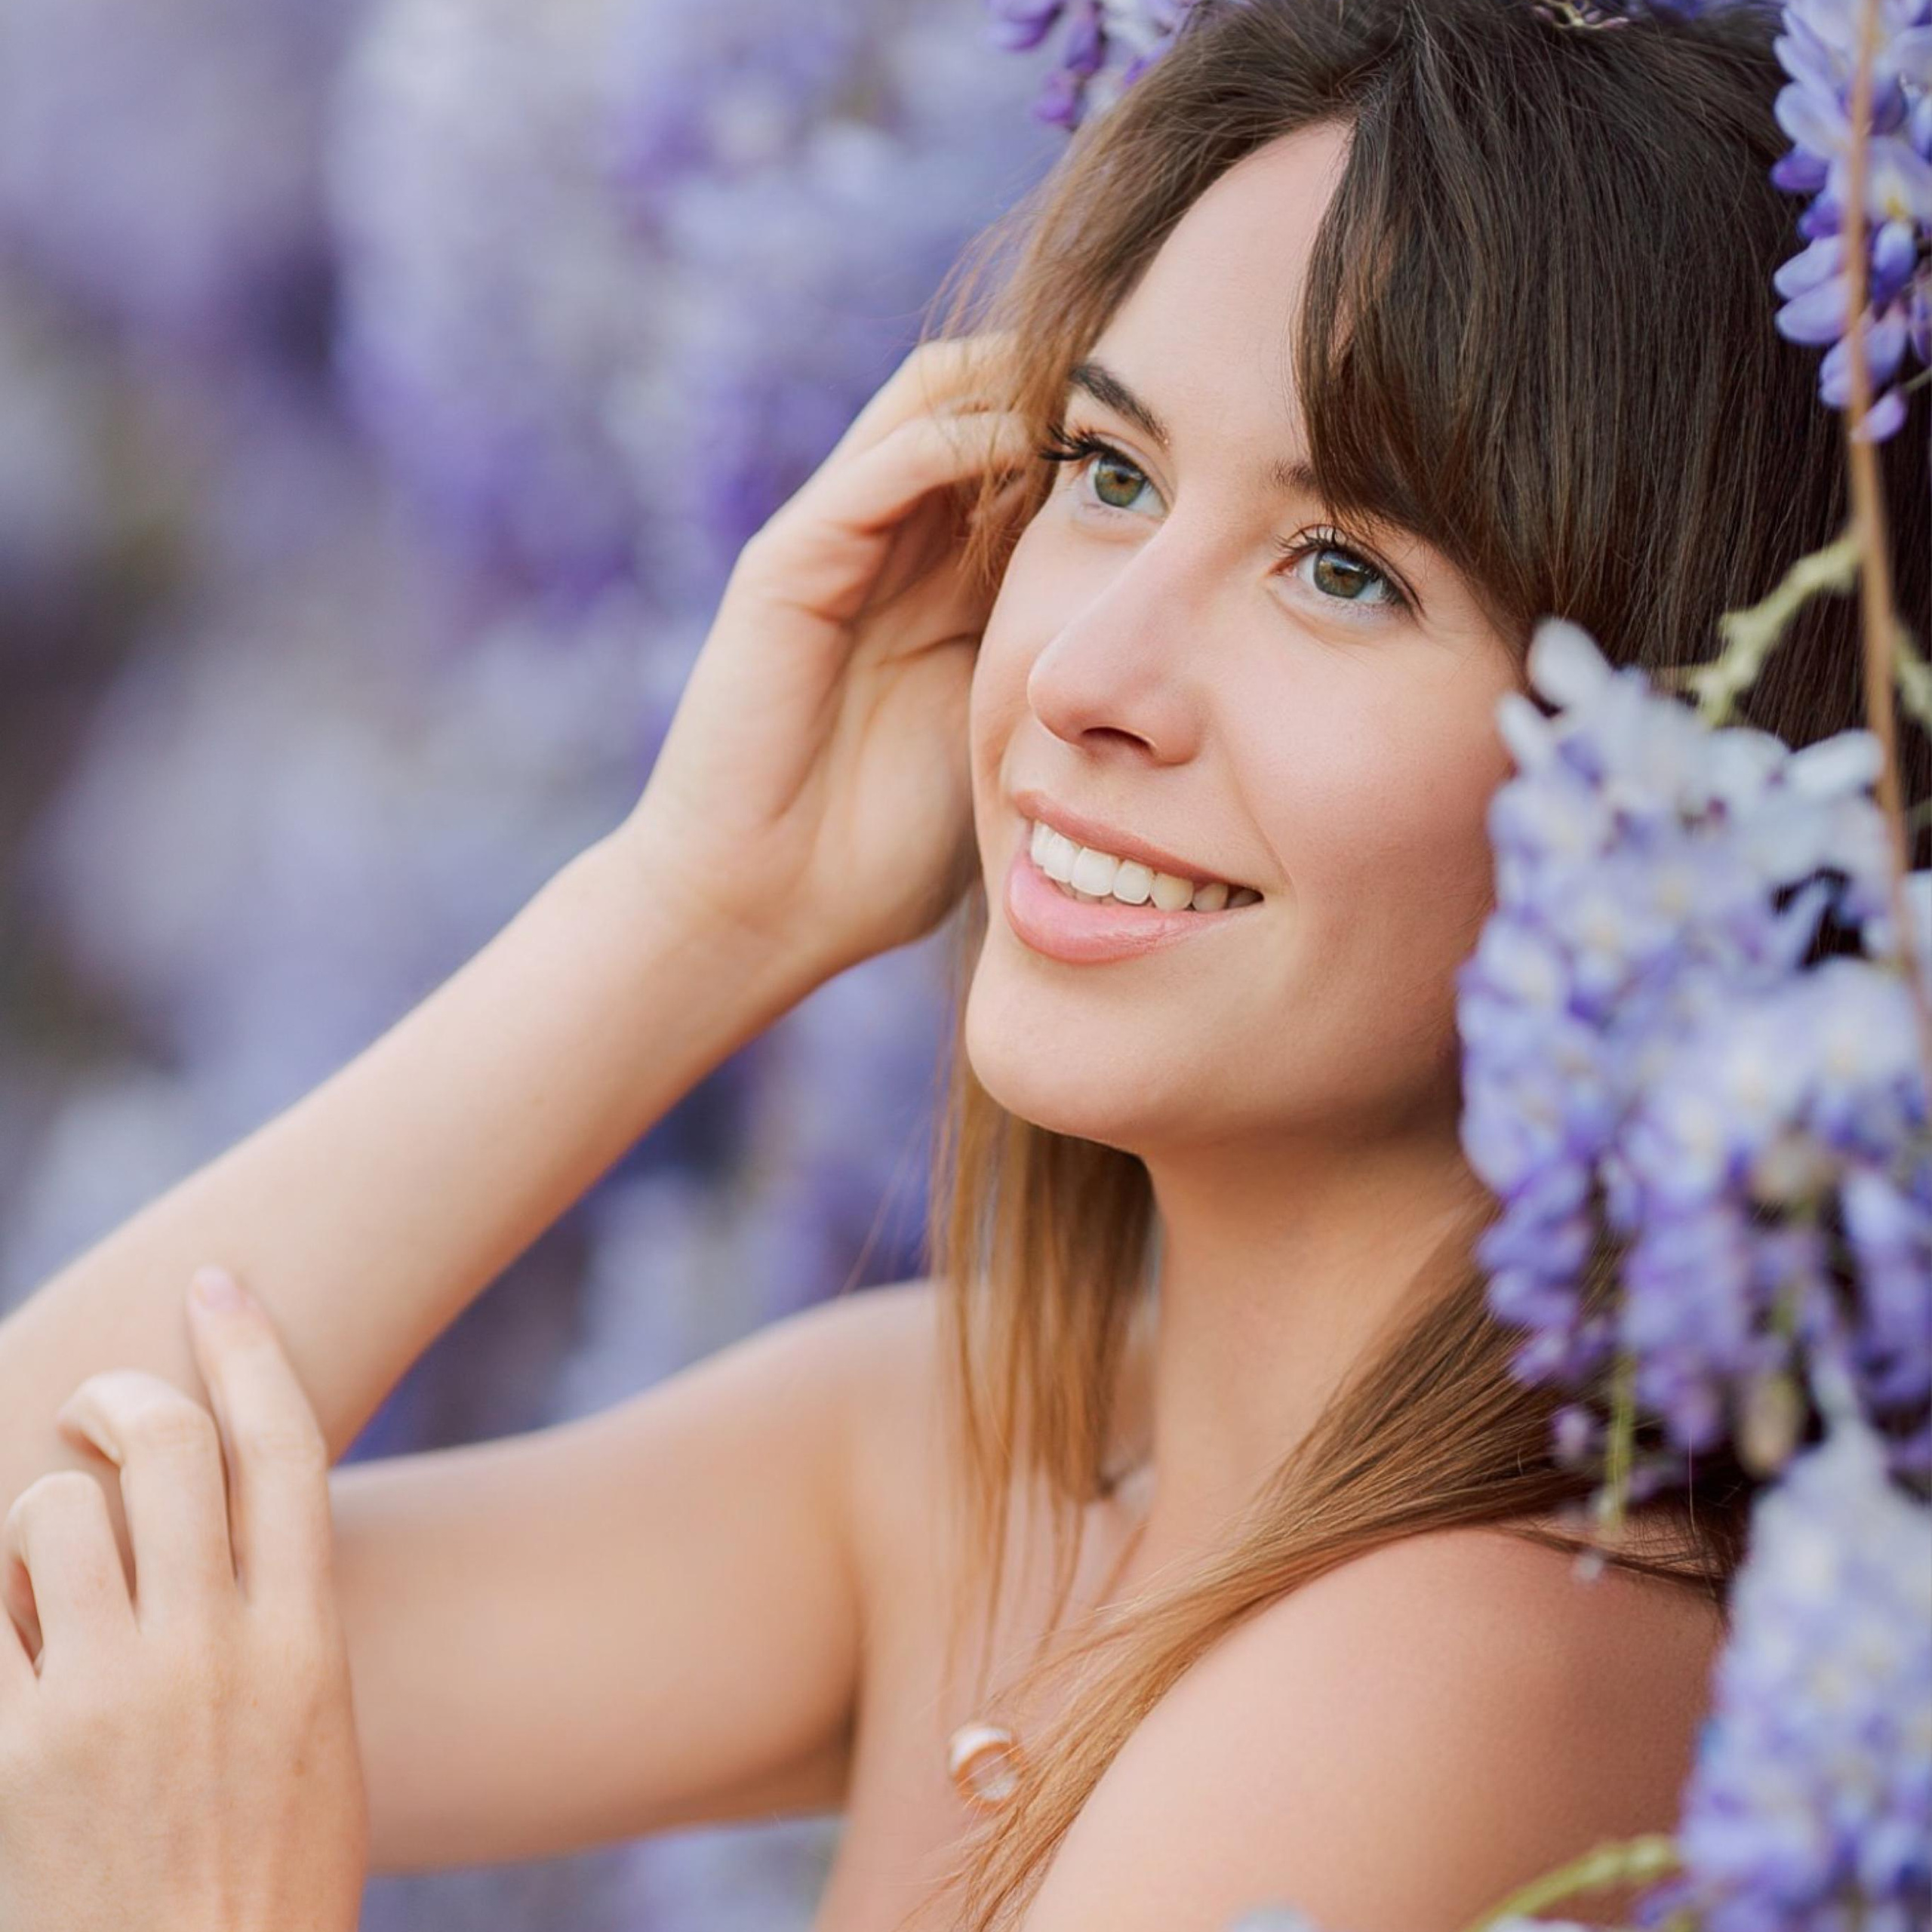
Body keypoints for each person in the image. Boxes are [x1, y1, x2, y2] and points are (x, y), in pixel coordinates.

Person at [2, 1, 1927, 1928]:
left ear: (1686, 770)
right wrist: (690, 908)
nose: (1089, 676)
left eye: (1344, 568)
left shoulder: (1461, 1666)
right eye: (1109, 473)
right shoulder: (983, 1461)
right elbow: (33, 1603)